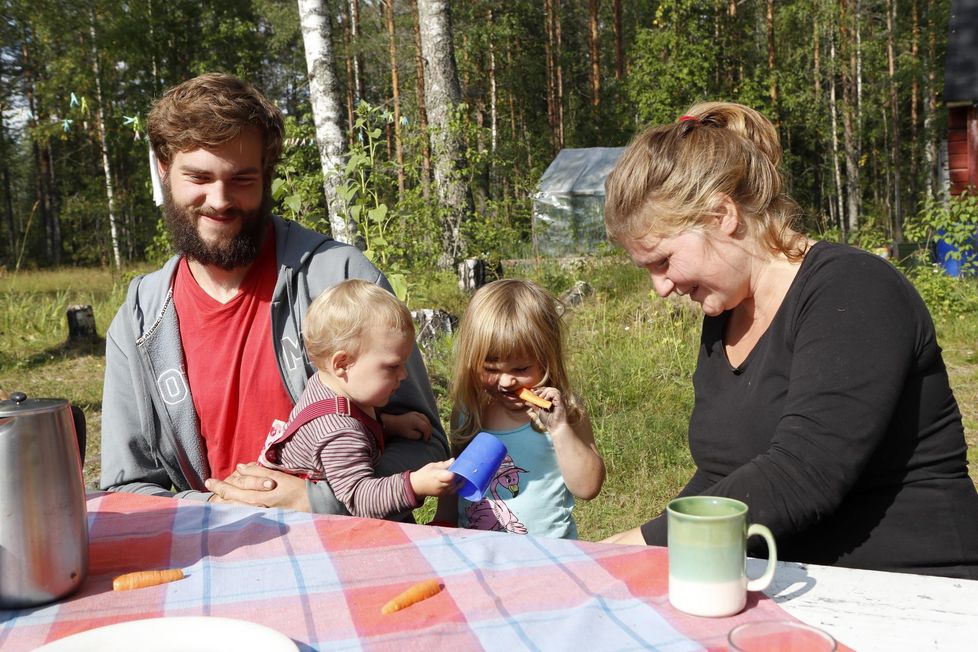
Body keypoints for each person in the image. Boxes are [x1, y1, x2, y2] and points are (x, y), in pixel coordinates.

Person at [600, 101, 978, 579]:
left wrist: (650, 543)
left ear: (721, 216)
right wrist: (656, 540)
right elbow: (724, 472)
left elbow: (804, 473)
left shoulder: (854, 289)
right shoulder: (727, 310)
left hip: (915, 589)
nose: (660, 287)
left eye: (662, 261)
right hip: (793, 582)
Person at [100, 73, 449, 514]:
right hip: (210, 557)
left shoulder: (340, 278)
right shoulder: (139, 318)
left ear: (267, 175)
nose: (220, 199)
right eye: (199, 177)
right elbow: (126, 486)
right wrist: (217, 505)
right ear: (165, 170)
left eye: (242, 179)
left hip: (347, 557)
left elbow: (427, 444)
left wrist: (317, 501)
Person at [257, 279, 456, 519]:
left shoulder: (326, 384)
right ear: (342, 364)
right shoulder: (338, 431)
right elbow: (358, 500)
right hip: (300, 527)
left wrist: (390, 424)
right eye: (393, 366)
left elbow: (358, 420)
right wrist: (414, 484)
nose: (403, 375)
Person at [431, 279, 605, 538]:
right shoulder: (469, 411)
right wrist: (443, 522)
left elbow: (588, 487)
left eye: (521, 369)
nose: (505, 381)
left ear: (547, 359)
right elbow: (457, 477)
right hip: (477, 548)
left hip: (547, 557)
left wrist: (559, 429)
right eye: (490, 369)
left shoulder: (565, 413)